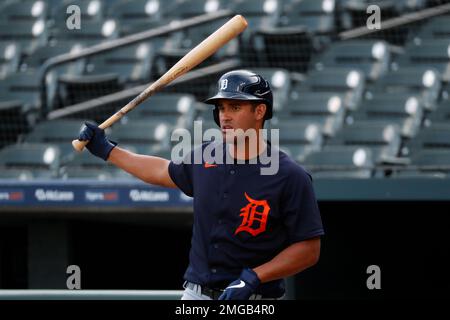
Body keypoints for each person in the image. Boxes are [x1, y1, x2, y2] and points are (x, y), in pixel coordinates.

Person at [77, 69, 324, 300]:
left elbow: (308, 249)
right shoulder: (205, 156)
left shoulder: (290, 175)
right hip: (196, 295)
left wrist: (255, 276)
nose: (224, 116)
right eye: (221, 107)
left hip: (255, 297)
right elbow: (162, 171)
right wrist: (108, 151)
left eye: (235, 106)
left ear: (260, 112)